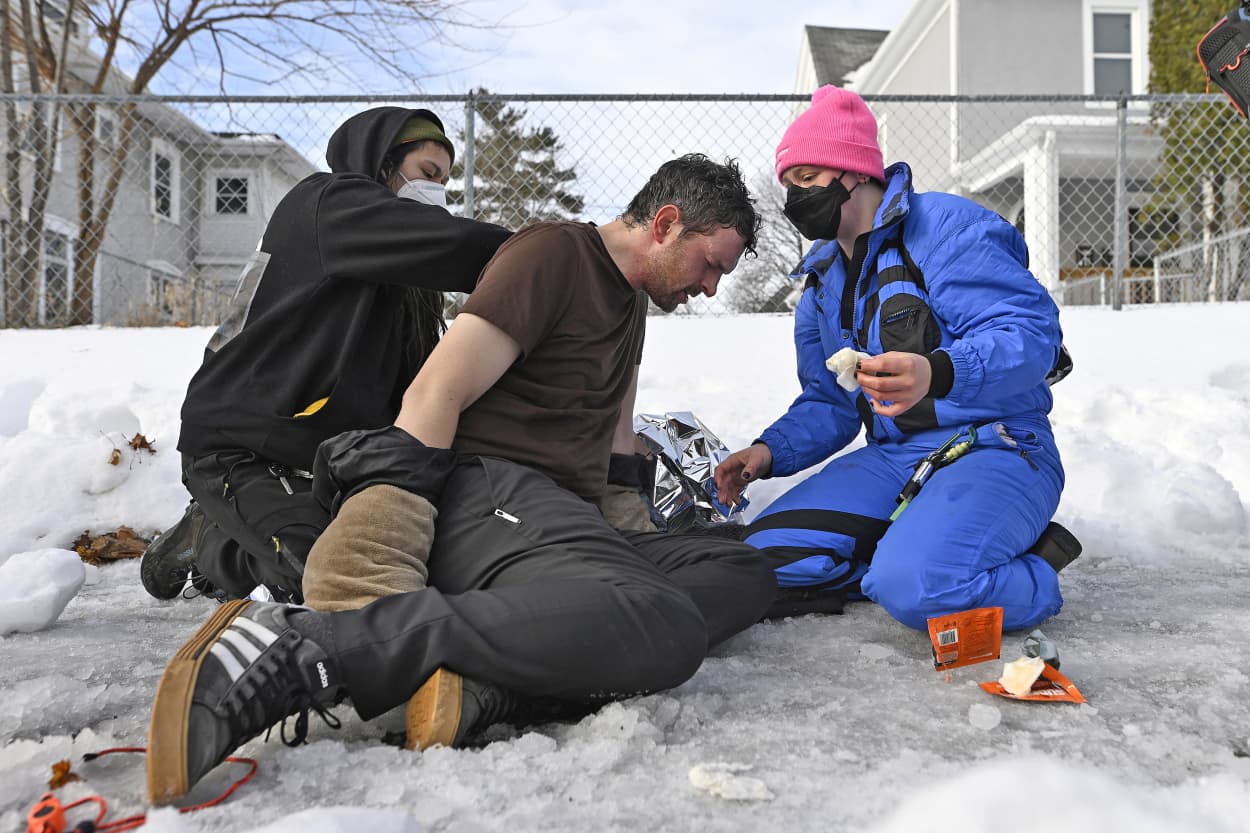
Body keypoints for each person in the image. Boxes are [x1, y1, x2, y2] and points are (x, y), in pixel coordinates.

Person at [144, 154, 777, 805]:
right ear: (667, 224)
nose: (711, 288)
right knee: (663, 622)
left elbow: (616, 441)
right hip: (492, 497)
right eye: (712, 265)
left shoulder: (630, 305)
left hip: (560, 519)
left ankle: (491, 675)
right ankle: (308, 646)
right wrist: (387, 534)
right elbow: (436, 389)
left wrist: (630, 534)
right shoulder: (555, 255)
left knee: (742, 570)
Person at [713, 86, 1080, 633]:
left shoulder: (945, 228)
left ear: (853, 171)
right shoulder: (820, 284)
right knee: (758, 559)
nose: (795, 197)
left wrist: (939, 371)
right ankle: (909, 549)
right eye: (789, 183)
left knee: (918, 587)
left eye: (807, 178)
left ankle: (1030, 569)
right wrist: (768, 452)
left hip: (997, 446)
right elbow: (830, 402)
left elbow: (1030, 335)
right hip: (895, 459)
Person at [139, 106, 512, 604]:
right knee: (326, 573)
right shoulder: (327, 204)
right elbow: (458, 245)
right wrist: (553, 253)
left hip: (326, 460)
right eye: (427, 174)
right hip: (241, 447)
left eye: (445, 181)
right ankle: (210, 538)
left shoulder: (407, 285)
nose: (437, 193)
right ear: (381, 163)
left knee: (409, 557)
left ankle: (245, 535)